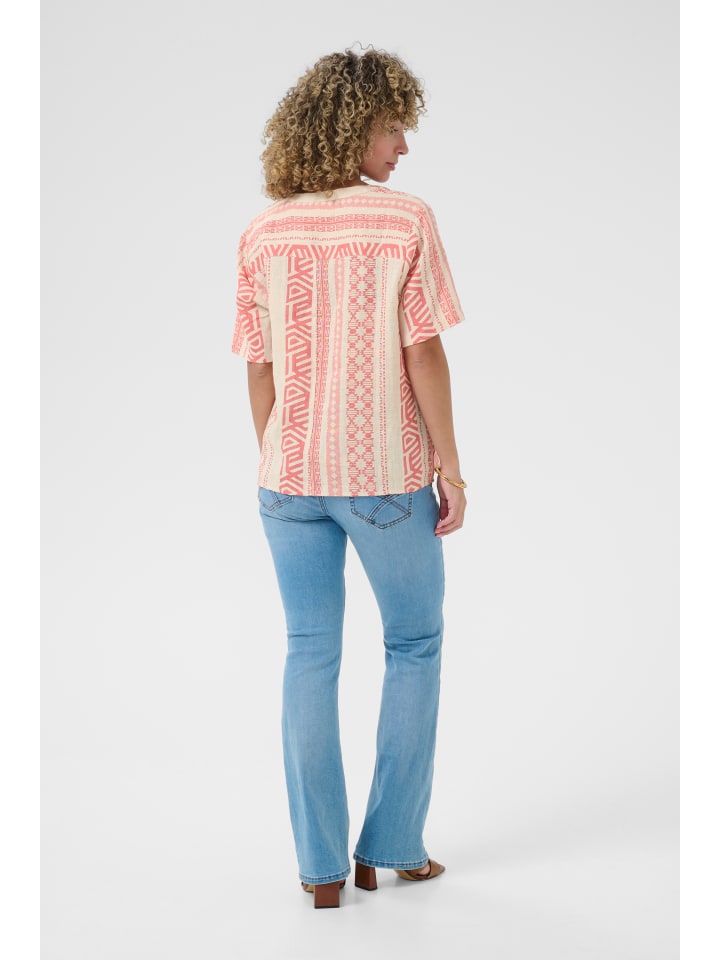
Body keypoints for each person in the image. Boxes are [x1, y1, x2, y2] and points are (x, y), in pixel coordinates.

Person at [232, 46, 466, 909]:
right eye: (392, 126)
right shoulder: (404, 220)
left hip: (286, 481)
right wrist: (451, 468)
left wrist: (285, 459)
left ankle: (321, 871)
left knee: (308, 652)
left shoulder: (262, 232)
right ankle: (394, 846)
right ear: (354, 125)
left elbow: (259, 368)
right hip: (383, 478)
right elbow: (423, 352)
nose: (403, 145)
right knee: (414, 644)